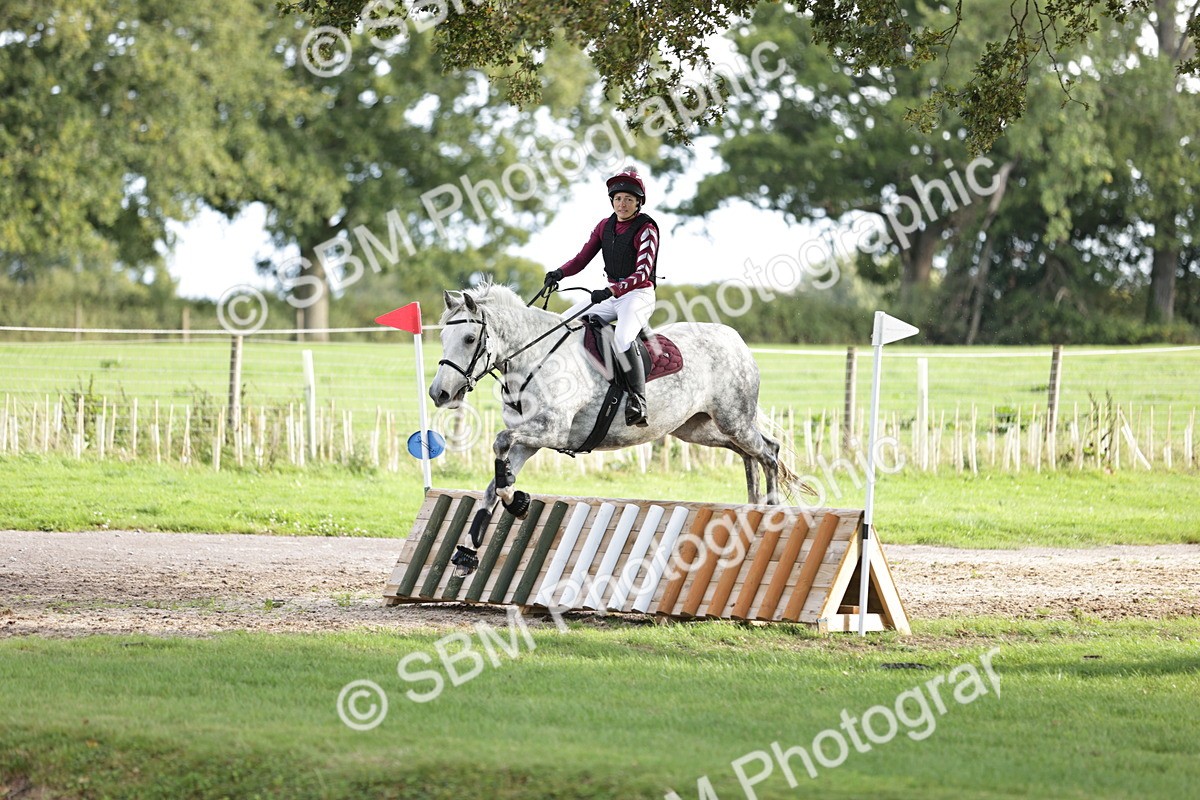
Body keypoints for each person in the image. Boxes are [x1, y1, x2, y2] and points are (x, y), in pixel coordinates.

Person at [544, 166, 659, 427]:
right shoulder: (604, 226)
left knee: (622, 337)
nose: (623, 203)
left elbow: (643, 273)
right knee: (563, 323)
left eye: (629, 199)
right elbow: (582, 259)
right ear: (612, 201)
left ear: (638, 202)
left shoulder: (647, 228)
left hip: (638, 295)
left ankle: (639, 401)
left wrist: (612, 290)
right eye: (618, 198)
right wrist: (559, 273)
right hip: (612, 294)